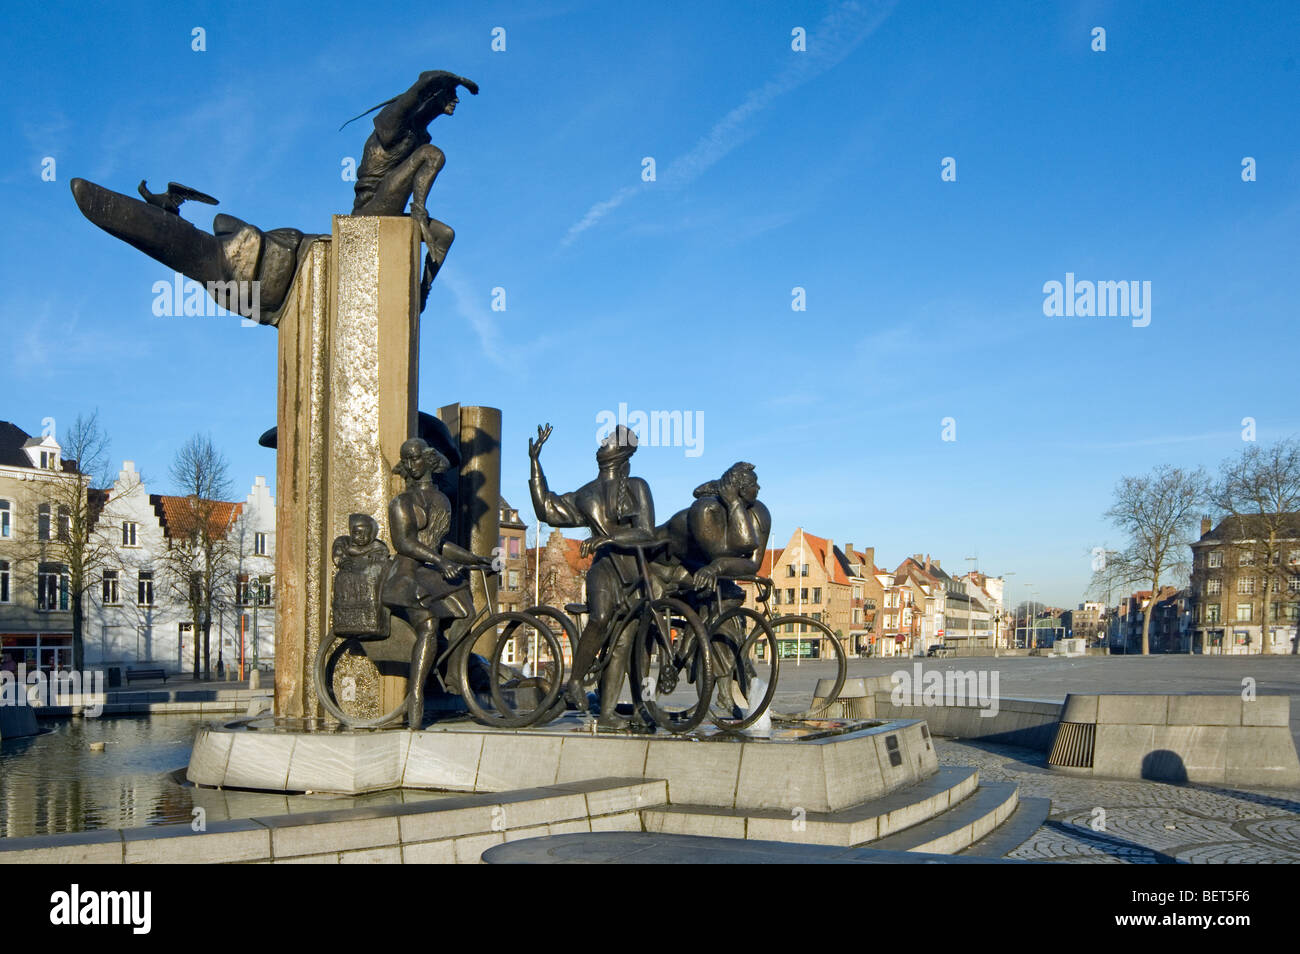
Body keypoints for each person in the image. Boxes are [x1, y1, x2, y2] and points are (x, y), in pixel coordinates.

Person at [528, 423, 655, 728]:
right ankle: (575, 680)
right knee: (600, 618)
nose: (603, 444)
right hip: (605, 567)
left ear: (621, 452)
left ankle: (622, 710)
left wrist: (607, 539)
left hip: (634, 570)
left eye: (610, 441)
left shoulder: (637, 486)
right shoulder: (587, 494)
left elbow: (647, 532)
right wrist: (535, 464)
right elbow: (547, 510)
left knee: (630, 642)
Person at [383, 437, 494, 728]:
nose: (410, 463)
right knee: (429, 626)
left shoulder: (441, 499)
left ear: (429, 460)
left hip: (432, 571)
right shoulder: (402, 502)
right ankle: (416, 694)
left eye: (415, 457)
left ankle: (452, 675)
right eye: (406, 459)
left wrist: (474, 559)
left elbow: (440, 543)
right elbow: (405, 542)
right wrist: (441, 561)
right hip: (408, 573)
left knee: (466, 612)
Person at [348, 70, 478, 299]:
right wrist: (450, 80)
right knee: (432, 154)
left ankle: (421, 294)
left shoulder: (421, 134)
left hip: (390, 207)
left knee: (445, 235)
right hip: (369, 209)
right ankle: (418, 211)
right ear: (432, 94)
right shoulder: (393, 122)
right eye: (450, 93)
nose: (456, 99)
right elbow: (422, 84)